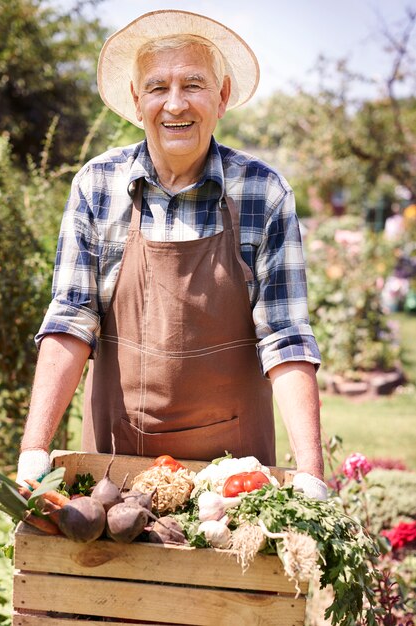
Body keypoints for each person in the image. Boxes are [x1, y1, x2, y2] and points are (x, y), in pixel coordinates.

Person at [16, 10, 327, 499]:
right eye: (158, 87)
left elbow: (285, 336)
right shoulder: (98, 186)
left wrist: (310, 472)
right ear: (137, 102)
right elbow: (70, 319)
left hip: (233, 481)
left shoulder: (263, 193)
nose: (175, 103)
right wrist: (35, 448)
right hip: (114, 468)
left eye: (194, 84)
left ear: (222, 97)